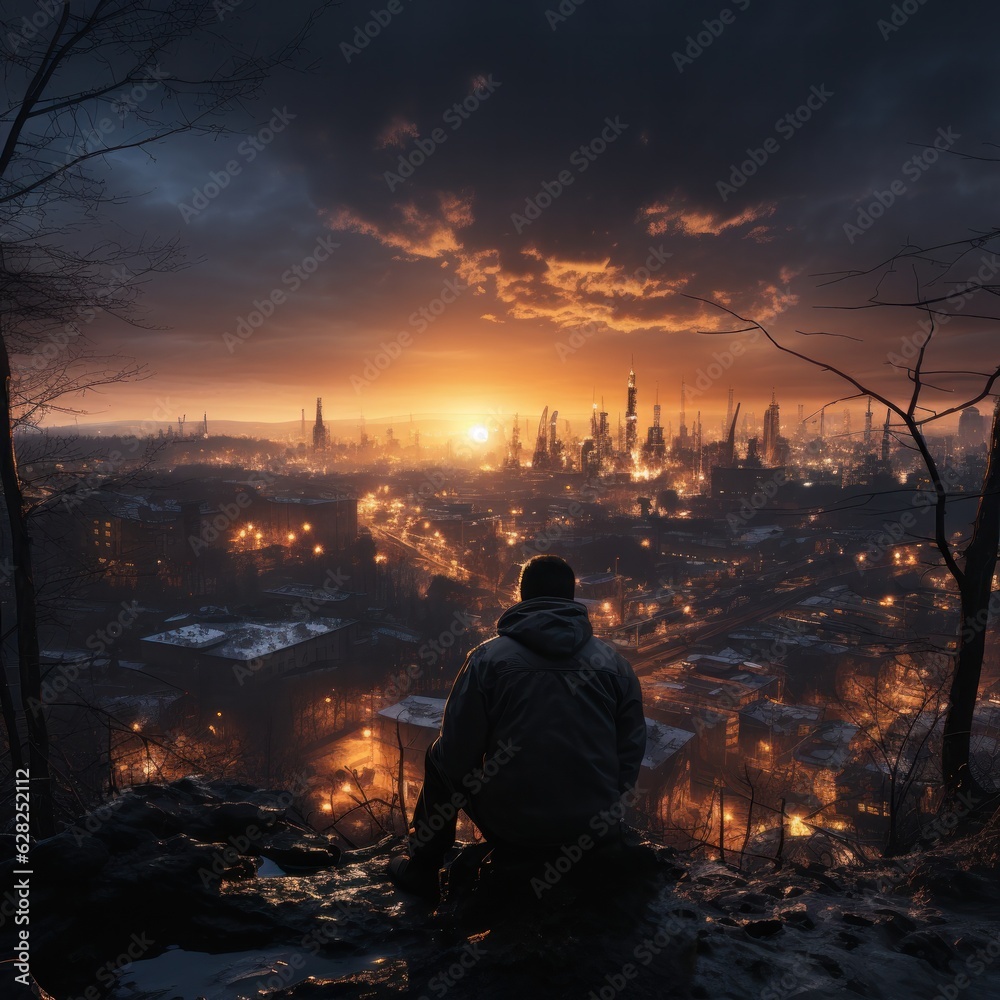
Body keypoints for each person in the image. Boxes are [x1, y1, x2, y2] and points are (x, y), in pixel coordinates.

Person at [388, 554, 647, 897]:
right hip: (594, 828)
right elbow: (631, 752)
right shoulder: (615, 664)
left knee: (439, 757)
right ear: (572, 599)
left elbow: (455, 755)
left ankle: (423, 867)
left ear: (522, 595)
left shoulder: (487, 659)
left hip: (514, 829)